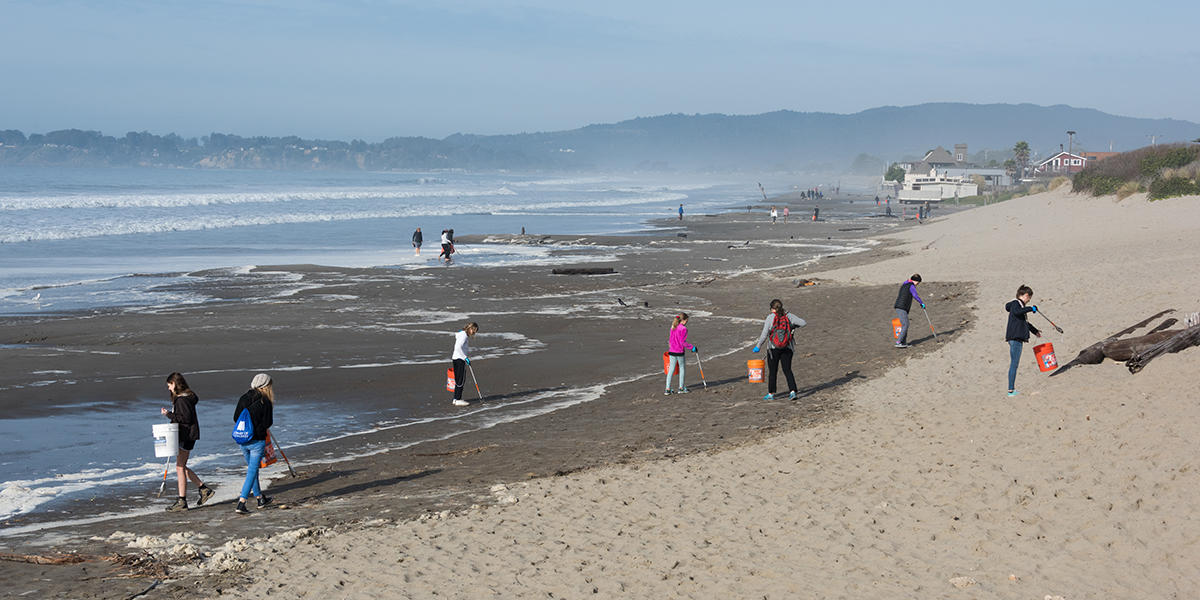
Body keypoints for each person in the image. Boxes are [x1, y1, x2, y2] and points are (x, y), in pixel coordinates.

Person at [161, 373, 214, 512]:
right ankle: (203, 489)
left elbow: (185, 418)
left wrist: (168, 415)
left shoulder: (181, 400)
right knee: (182, 467)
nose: (169, 389)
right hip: (189, 435)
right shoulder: (187, 397)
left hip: (186, 436)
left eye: (169, 385)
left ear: (175, 383)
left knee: (180, 467)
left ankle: (183, 500)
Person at [233, 373, 274, 515]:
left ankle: (260, 498)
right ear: (265, 386)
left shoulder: (243, 398)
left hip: (243, 439)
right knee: (252, 471)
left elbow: (235, 418)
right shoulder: (265, 401)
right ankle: (242, 502)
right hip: (257, 441)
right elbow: (268, 422)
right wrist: (259, 427)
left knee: (253, 469)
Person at [751, 299, 807, 400]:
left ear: (772, 309)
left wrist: (758, 346)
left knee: (773, 371)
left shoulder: (770, 317)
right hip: (788, 347)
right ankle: (793, 391)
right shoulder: (789, 315)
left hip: (773, 349)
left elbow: (764, 334)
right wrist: (792, 326)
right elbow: (803, 323)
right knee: (787, 370)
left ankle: (771, 394)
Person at [1005, 285, 1042, 397]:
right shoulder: (1016, 304)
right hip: (1015, 338)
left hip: (1017, 338)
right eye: (1029, 299)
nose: (1028, 301)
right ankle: (1011, 391)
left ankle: (1011, 390)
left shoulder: (1019, 307)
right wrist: (1031, 308)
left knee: (1014, 364)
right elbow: (1017, 312)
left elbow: (1025, 323)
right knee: (1014, 364)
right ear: (1026, 295)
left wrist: (1035, 331)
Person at [665, 313, 696, 395]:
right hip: (679, 352)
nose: (687, 322)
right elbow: (683, 342)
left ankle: (667, 389)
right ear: (683, 320)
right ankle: (681, 388)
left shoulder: (673, 327)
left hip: (671, 351)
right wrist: (692, 347)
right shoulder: (683, 329)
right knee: (682, 368)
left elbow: (670, 340)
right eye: (686, 321)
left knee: (671, 369)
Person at [451, 322, 479, 407]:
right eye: (474, 331)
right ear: (470, 329)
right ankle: (458, 399)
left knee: (458, 379)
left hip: (456, 358)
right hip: (460, 359)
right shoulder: (463, 335)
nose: (474, 333)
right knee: (461, 380)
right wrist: (465, 357)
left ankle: (455, 399)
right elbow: (458, 347)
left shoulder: (461, 334)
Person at [893, 274, 924, 348]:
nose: (917, 285)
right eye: (918, 283)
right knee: (905, 324)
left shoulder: (905, 283)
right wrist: (921, 303)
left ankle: (903, 343)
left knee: (905, 324)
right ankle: (898, 342)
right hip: (901, 307)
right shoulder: (911, 285)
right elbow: (915, 295)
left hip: (900, 306)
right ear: (916, 281)